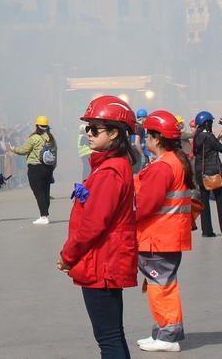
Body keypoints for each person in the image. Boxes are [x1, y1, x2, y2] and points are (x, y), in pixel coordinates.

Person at [58, 95, 139, 359]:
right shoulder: (113, 166)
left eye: (95, 129)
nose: (89, 134)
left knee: (108, 337)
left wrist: (68, 256)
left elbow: (93, 224)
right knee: (113, 334)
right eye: (87, 128)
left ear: (115, 133)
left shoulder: (108, 172)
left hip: (101, 263)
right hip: (106, 260)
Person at [132, 110, 194, 352]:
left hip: (157, 236)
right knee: (160, 284)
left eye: (148, 135)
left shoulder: (163, 167)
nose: (145, 140)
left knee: (161, 286)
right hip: (167, 235)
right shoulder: (173, 161)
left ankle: (168, 336)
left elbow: (145, 205)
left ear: (157, 139)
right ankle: (161, 330)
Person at [189, 110, 222, 238]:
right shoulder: (208, 136)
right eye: (211, 122)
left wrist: (219, 136)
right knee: (220, 200)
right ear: (207, 123)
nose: (212, 124)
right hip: (212, 173)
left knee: (204, 202)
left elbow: (209, 146)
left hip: (200, 173)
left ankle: (207, 231)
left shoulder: (198, 136)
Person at [14, 115, 57, 224]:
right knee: (46, 191)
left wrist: (13, 149)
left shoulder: (34, 138)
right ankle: (45, 213)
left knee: (38, 192)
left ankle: (43, 217)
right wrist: (52, 168)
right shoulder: (51, 138)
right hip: (48, 168)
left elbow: (24, 150)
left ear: (37, 125)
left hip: (35, 168)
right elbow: (55, 154)